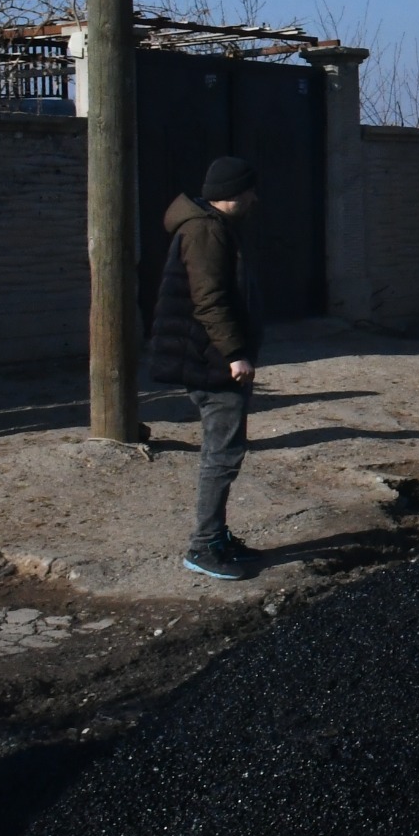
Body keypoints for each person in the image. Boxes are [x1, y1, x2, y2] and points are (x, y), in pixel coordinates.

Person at [148, 155, 266, 580]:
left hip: (207, 353)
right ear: (232, 193)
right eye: (249, 190)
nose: (255, 198)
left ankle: (216, 536)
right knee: (223, 452)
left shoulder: (210, 226)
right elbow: (209, 299)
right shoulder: (205, 231)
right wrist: (235, 353)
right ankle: (203, 545)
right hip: (209, 358)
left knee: (225, 450)